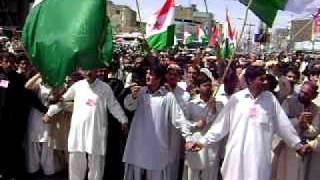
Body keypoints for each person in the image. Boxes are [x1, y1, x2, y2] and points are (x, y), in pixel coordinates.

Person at [186, 65, 312, 180]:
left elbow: (283, 125)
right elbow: (220, 126)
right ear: (250, 81)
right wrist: (202, 142)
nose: (265, 82)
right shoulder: (237, 99)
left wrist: (297, 145)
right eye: (261, 79)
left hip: (258, 159)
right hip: (236, 158)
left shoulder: (270, 100)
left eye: (265, 79)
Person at [45, 69, 128, 180]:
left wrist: (123, 119)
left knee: (96, 166)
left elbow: (113, 105)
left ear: (96, 71)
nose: (88, 73)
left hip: (96, 132)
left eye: (91, 70)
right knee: (75, 164)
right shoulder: (77, 86)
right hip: (78, 132)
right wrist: (49, 113)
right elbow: (61, 101)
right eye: (85, 70)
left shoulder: (104, 88)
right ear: (82, 72)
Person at [123, 64, 192, 180]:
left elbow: (179, 118)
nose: (147, 76)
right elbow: (129, 106)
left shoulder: (167, 97)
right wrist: (133, 97)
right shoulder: (140, 92)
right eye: (147, 73)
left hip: (156, 147)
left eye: (151, 74)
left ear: (159, 78)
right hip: (137, 145)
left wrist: (189, 138)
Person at [273, 81, 320, 180]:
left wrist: (307, 127)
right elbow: (280, 124)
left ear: (314, 96)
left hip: (305, 151)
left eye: (306, 94)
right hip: (288, 149)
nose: (302, 95)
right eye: (301, 92)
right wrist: (297, 120)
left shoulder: (316, 110)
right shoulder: (289, 103)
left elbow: (315, 132)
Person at [183, 70, 223, 180]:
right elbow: (184, 124)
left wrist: (213, 109)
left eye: (210, 85)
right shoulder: (191, 104)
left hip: (211, 149)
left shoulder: (219, 104)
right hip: (195, 146)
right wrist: (196, 124)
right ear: (198, 87)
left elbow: (221, 125)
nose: (209, 88)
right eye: (205, 85)